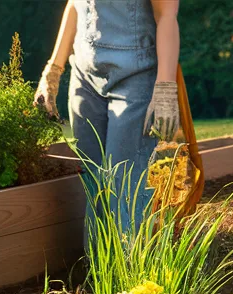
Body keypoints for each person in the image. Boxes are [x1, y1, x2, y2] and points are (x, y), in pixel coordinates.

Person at [34, 0, 181, 231]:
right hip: (84, 76)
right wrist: (52, 71)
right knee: (92, 182)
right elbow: (74, 4)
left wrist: (165, 87)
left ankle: (129, 264)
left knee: (126, 184)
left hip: (135, 74)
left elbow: (167, 14)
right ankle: (97, 263)